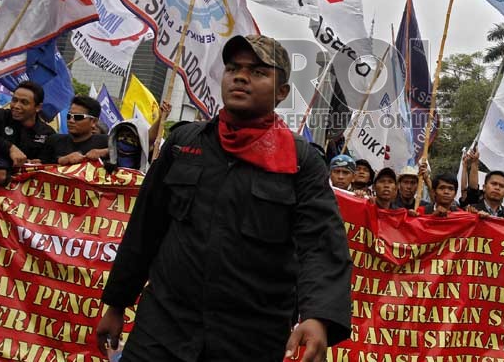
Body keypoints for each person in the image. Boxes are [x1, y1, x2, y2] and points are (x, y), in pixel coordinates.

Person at [94, 34, 351, 362]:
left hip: (250, 340)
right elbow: (145, 230)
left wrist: (318, 316)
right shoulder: (184, 144)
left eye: (258, 72)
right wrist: (116, 304)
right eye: (233, 68)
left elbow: (321, 245)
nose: (241, 76)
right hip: (163, 328)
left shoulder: (301, 162)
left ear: (282, 92)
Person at [0, 81, 55, 163]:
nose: (16, 106)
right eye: (14, 100)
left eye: (24, 102)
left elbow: (50, 162)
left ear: (38, 107)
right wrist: (9, 147)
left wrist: (41, 162)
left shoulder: (48, 134)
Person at [41, 96, 108, 165]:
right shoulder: (54, 141)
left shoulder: (106, 142)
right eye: (69, 116)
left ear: (93, 122)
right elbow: (41, 165)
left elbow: (119, 150)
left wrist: (106, 152)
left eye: (78, 117)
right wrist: (61, 160)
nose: (71, 121)